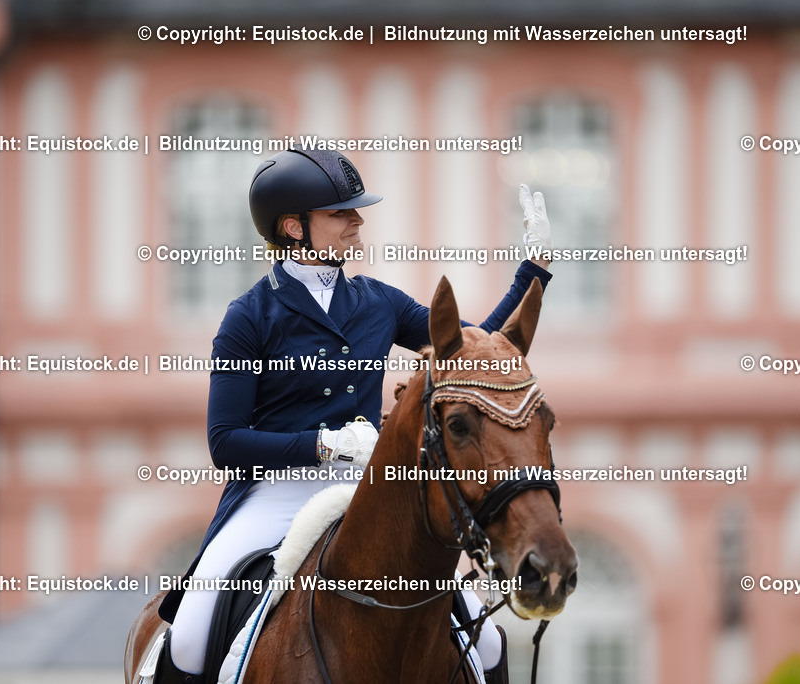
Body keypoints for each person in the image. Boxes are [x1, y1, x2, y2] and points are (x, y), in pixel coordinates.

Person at [155, 145, 554, 684]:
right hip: (275, 494)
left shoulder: (377, 302)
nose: (357, 221)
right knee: (192, 632)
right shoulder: (249, 317)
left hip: (367, 492)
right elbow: (225, 441)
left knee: (485, 640)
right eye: (340, 213)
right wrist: (321, 445)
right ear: (294, 227)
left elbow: (466, 354)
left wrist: (533, 273)